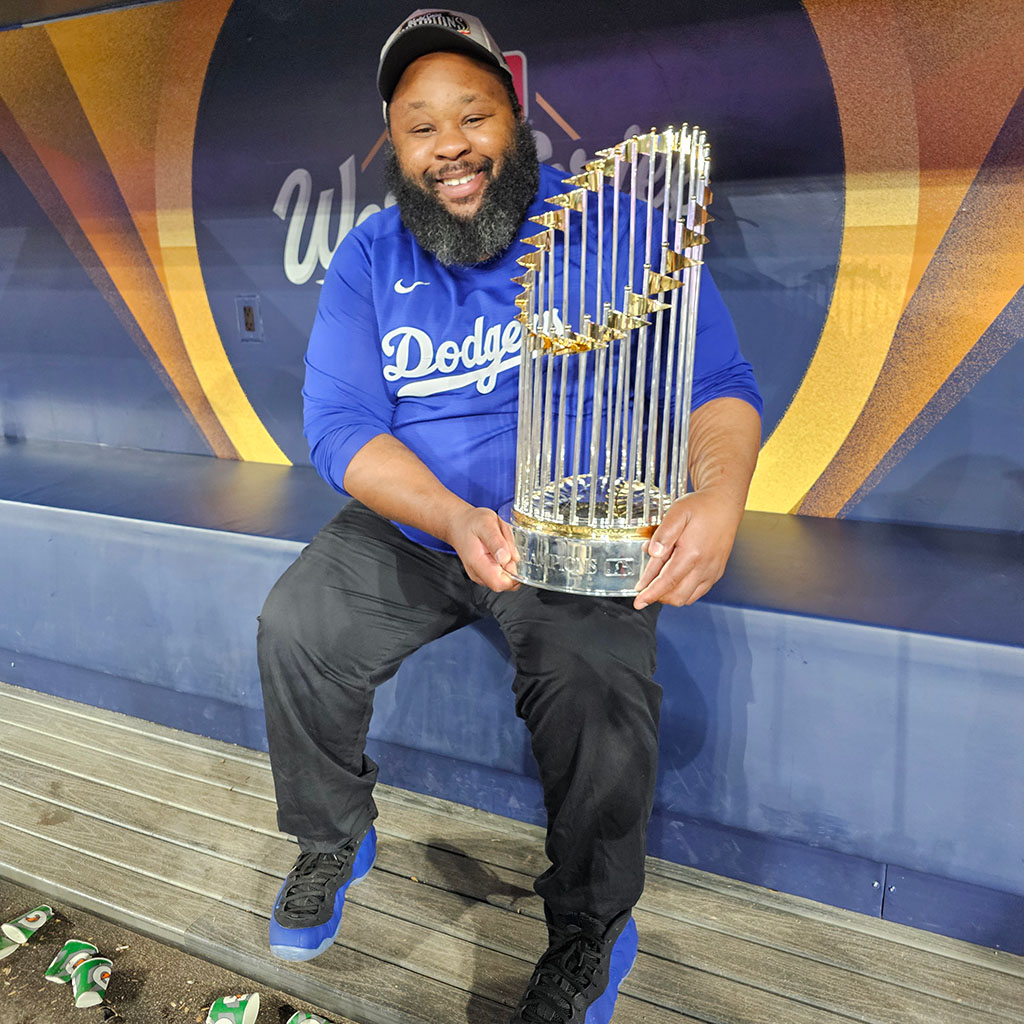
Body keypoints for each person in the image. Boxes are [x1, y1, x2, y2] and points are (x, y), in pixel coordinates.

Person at [257, 9, 762, 1022]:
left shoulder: (614, 227)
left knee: (595, 683)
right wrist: (449, 516)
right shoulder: (369, 256)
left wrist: (718, 495)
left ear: (515, 116)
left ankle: (589, 927)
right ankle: (332, 837)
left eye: (473, 115)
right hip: (423, 524)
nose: (450, 146)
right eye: (420, 127)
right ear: (393, 146)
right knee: (296, 627)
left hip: (569, 531)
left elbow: (718, 384)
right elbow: (339, 426)